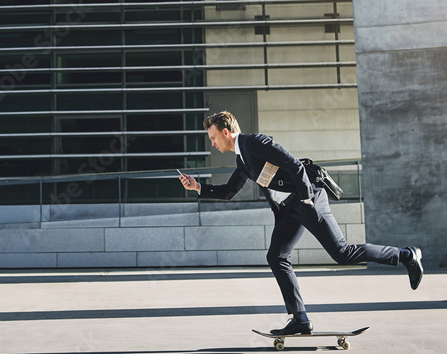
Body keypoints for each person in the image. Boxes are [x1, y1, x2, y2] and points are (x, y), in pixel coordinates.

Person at [178, 110, 423, 336]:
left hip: (308, 201)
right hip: (288, 211)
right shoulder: (242, 159)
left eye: (212, 137)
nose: (212, 143)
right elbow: (230, 191)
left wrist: (306, 198)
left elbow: (294, 165)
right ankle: (299, 318)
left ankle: (406, 256)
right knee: (277, 256)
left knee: (343, 253)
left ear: (225, 132)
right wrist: (198, 186)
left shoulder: (254, 142)